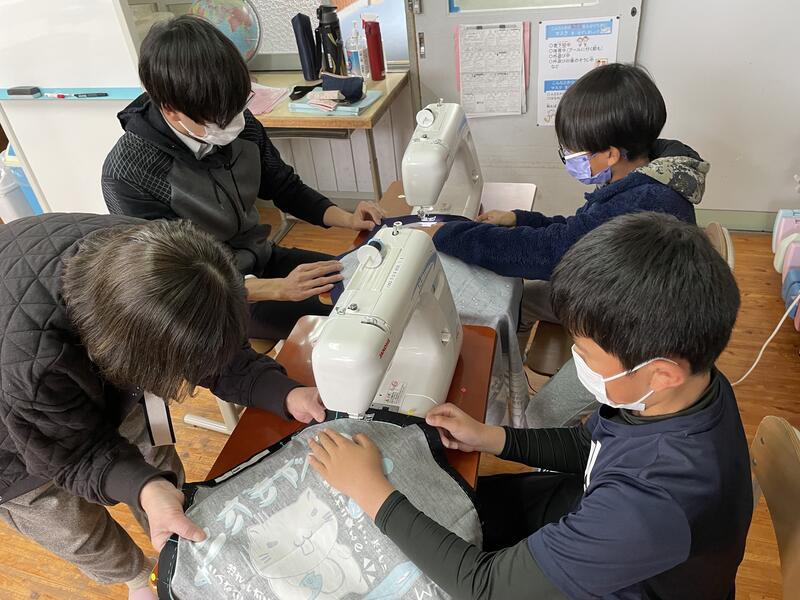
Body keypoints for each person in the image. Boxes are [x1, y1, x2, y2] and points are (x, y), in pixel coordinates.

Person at [308, 212, 753, 599]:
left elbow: (486, 588)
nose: (577, 359)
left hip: (629, 581)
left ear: (661, 373)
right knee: (457, 504)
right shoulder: (686, 391)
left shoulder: (650, 506)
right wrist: (492, 438)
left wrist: (371, 491)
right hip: (597, 509)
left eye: (586, 352)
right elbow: (593, 445)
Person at [0, 214, 327, 600]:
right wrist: (141, 487)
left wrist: (283, 392)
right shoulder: (33, 364)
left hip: (98, 359)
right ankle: (139, 579)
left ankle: (174, 531)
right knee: (72, 526)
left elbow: (206, 346)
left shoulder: (159, 255)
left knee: (158, 458)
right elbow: (73, 453)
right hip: (13, 442)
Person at [102, 15, 383, 340]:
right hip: (215, 298)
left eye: (238, 107)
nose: (233, 122)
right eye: (217, 118)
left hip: (264, 258)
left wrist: (348, 218)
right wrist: (275, 289)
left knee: (368, 286)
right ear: (170, 109)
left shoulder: (238, 121)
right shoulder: (129, 174)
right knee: (354, 322)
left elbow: (284, 186)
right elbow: (173, 279)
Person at [430, 63, 710, 354]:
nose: (568, 157)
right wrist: (519, 219)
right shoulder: (646, 175)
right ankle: (514, 365)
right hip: (624, 293)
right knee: (519, 299)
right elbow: (581, 230)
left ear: (611, 154)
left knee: (514, 309)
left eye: (574, 151)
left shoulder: (642, 203)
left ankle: (517, 379)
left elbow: (551, 252)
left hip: (635, 330)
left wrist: (447, 234)